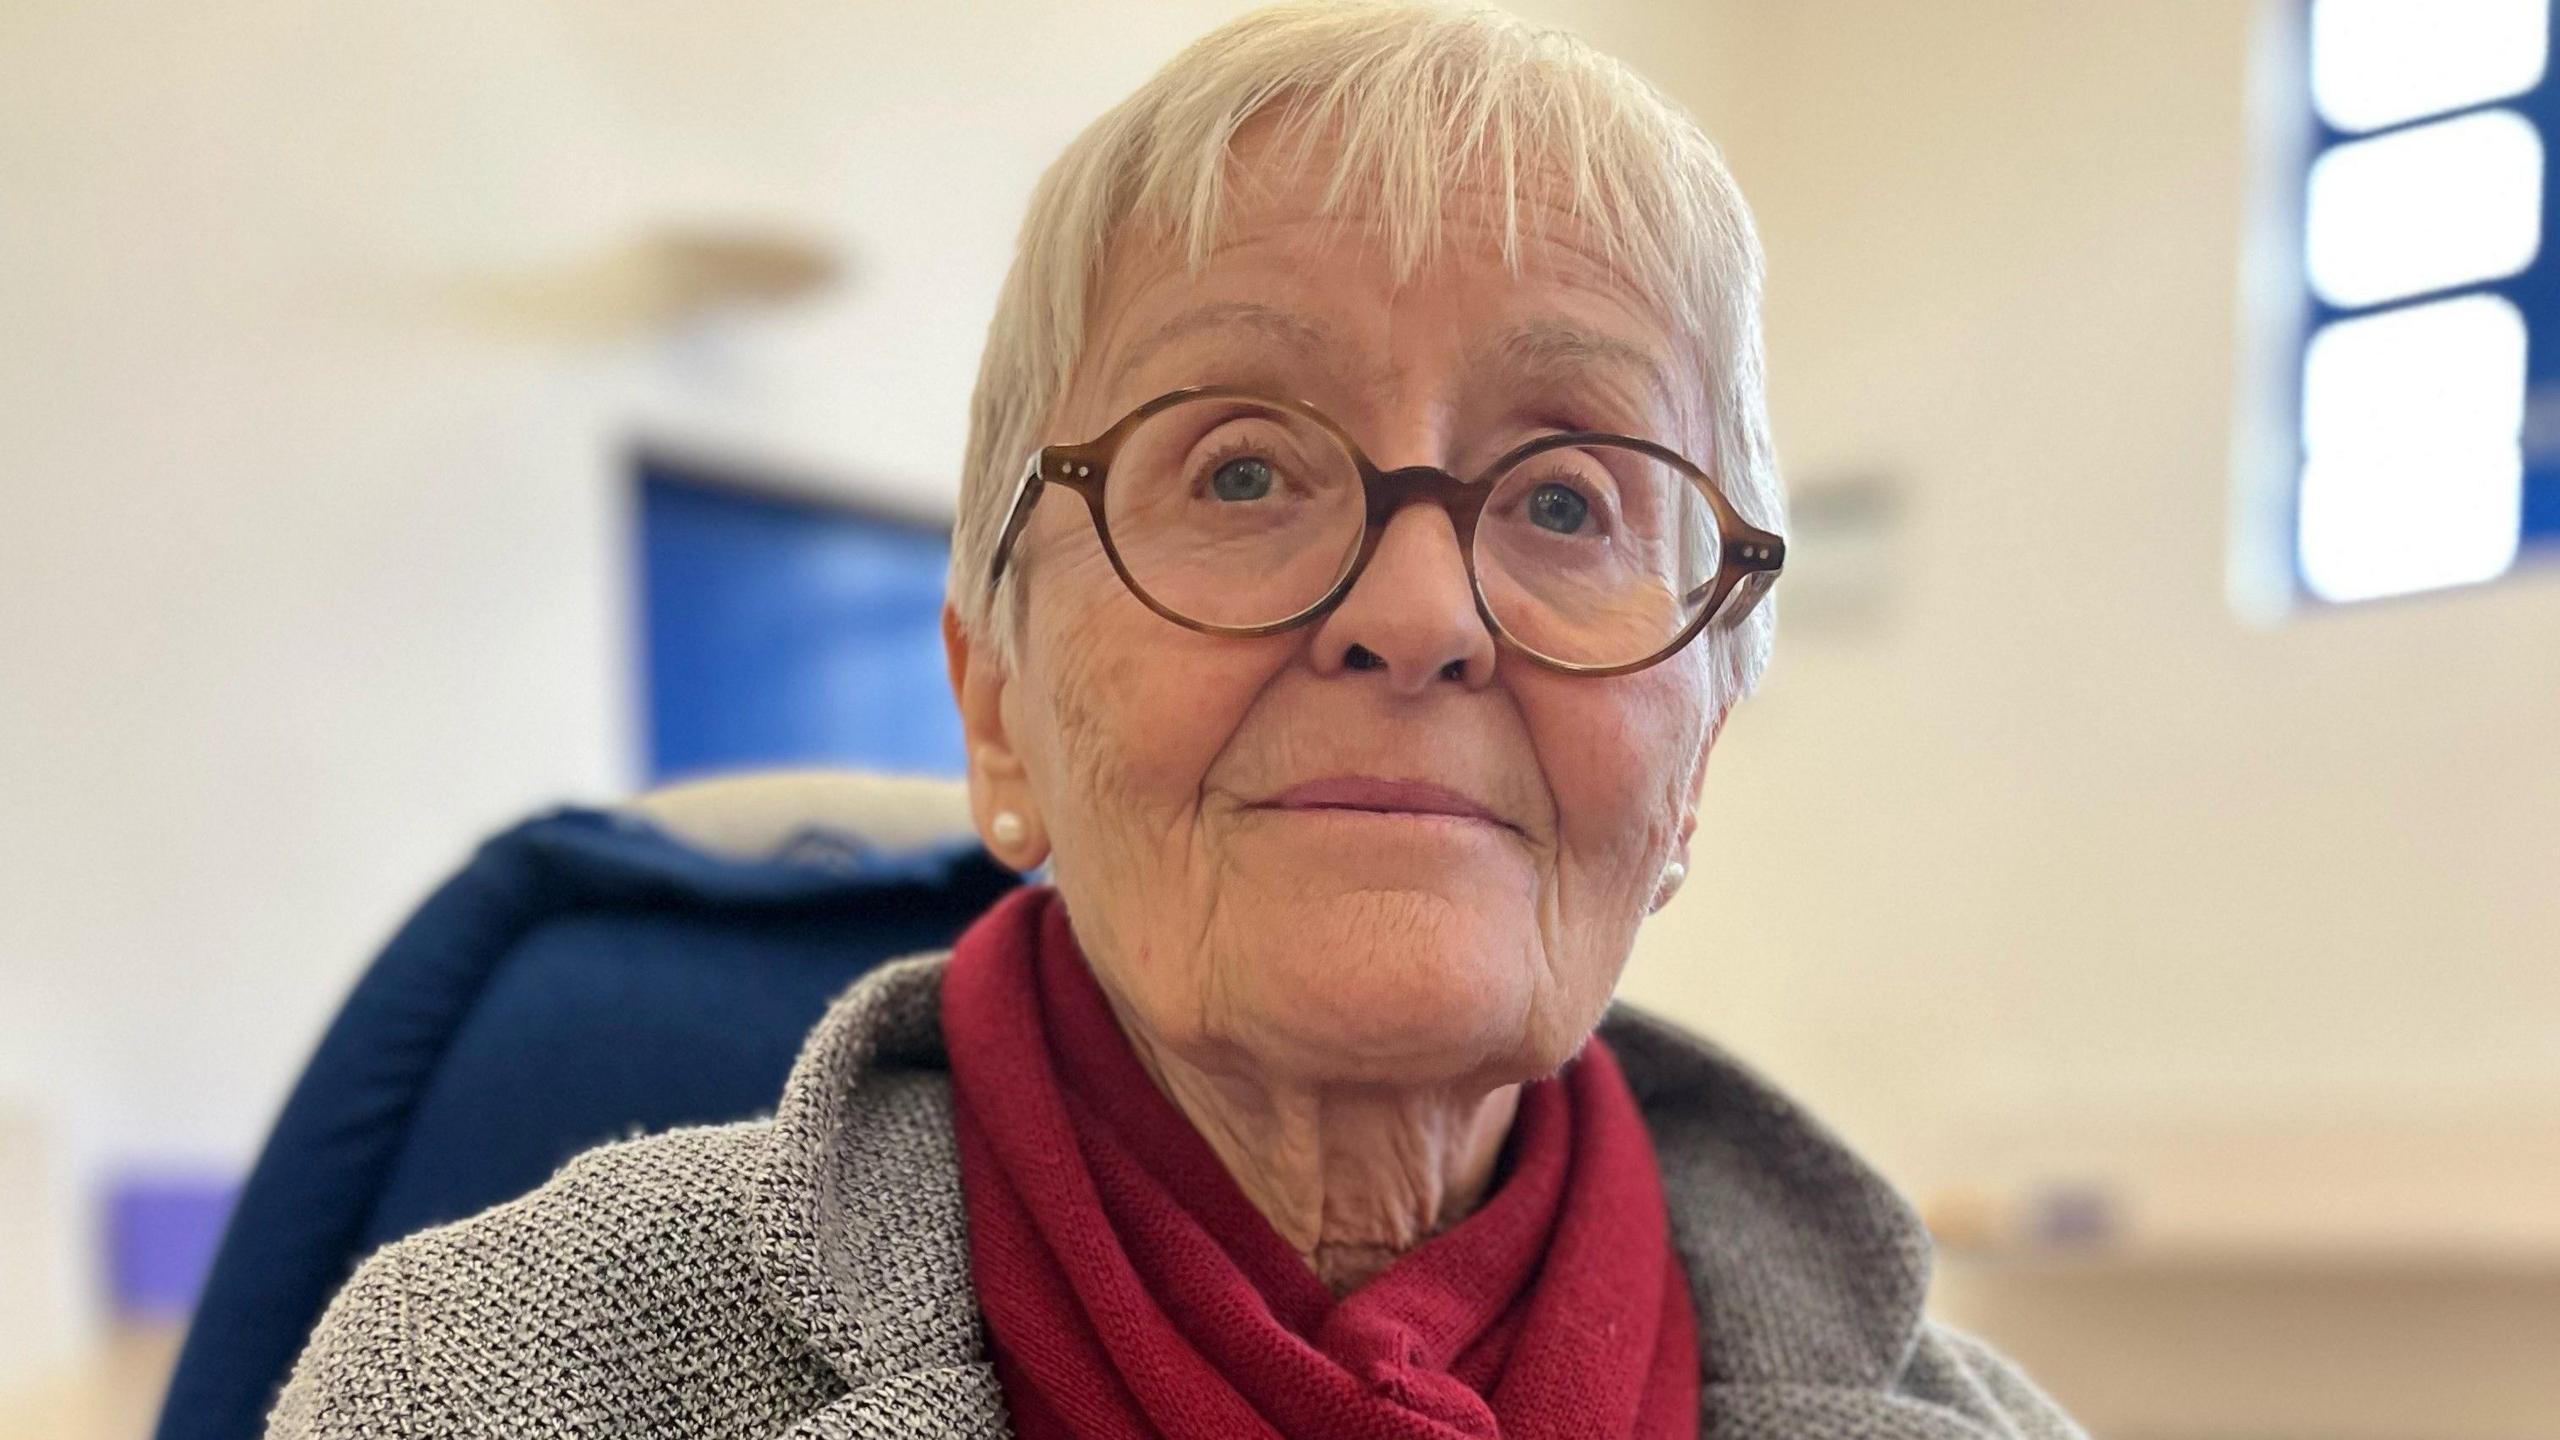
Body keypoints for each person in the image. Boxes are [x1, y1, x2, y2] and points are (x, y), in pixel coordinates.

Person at [268, 3, 2085, 1436]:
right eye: (1238, 468)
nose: (1415, 614)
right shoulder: (487, 1386)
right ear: (996, 710)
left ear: (1693, 753)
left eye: (1564, 501)